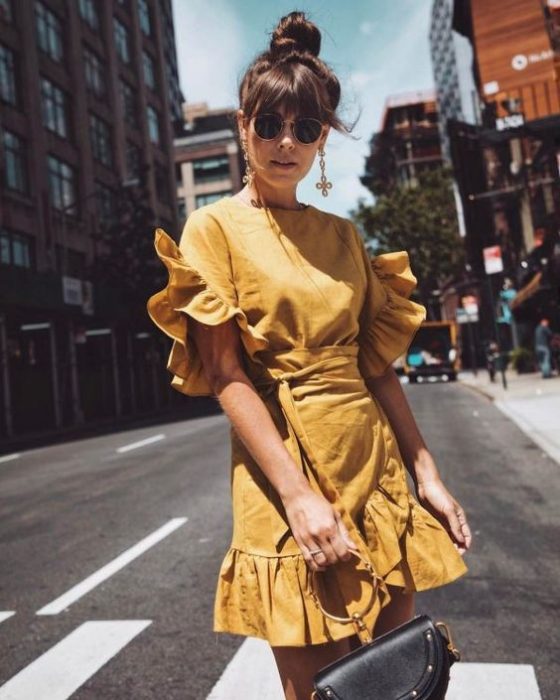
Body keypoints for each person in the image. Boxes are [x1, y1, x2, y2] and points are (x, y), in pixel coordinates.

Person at [147, 12, 472, 699]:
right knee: (321, 689)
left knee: (391, 678)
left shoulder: (345, 236)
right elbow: (227, 374)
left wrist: (427, 471)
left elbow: (374, 366)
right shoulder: (214, 229)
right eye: (269, 125)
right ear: (243, 126)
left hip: (373, 468)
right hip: (287, 476)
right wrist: (299, 498)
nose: (285, 142)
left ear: (323, 136)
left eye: (305, 127)